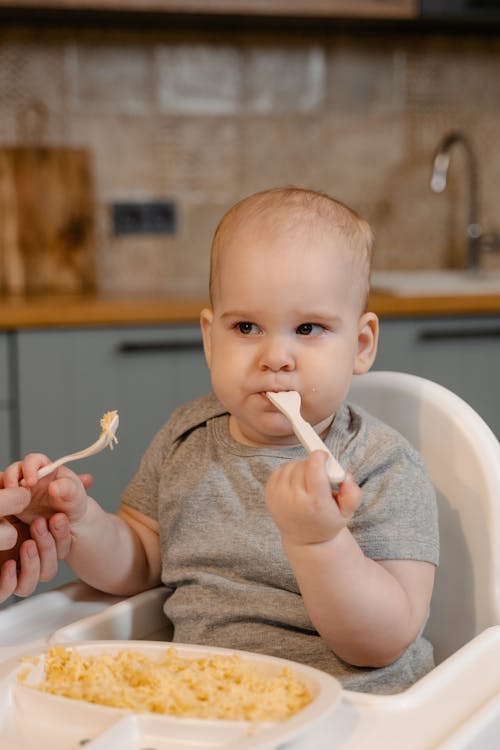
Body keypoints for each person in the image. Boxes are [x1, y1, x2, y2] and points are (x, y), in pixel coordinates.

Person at [1, 187, 438, 693]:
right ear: (211, 339)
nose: (276, 355)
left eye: (309, 327)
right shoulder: (186, 438)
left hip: (352, 709)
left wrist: (317, 541)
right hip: (208, 700)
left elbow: (382, 641)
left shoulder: (381, 465)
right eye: (247, 326)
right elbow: (140, 560)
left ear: (360, 346)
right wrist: (78, 520)